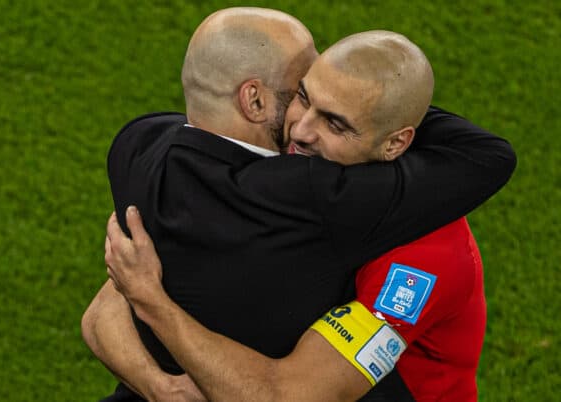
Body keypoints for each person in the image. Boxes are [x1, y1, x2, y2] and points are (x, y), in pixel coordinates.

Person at [83, 7, 516, 402]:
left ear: (397, 141)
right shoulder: (272, 182)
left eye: (336, 122)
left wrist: (153, 303)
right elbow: (106, 306)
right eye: (303, 96)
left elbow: (287, 396)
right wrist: (161, 388)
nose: (300, 130)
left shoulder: (425, 255)